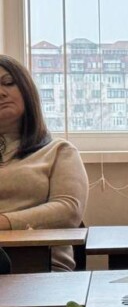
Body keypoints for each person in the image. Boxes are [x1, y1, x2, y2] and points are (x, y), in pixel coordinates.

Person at [0, 54, 88, 271]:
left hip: (42, 269)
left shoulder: (59, 151)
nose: (1, 93)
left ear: (26, 90)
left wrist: (4, 222)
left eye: (8, 83)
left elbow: (68, 210)